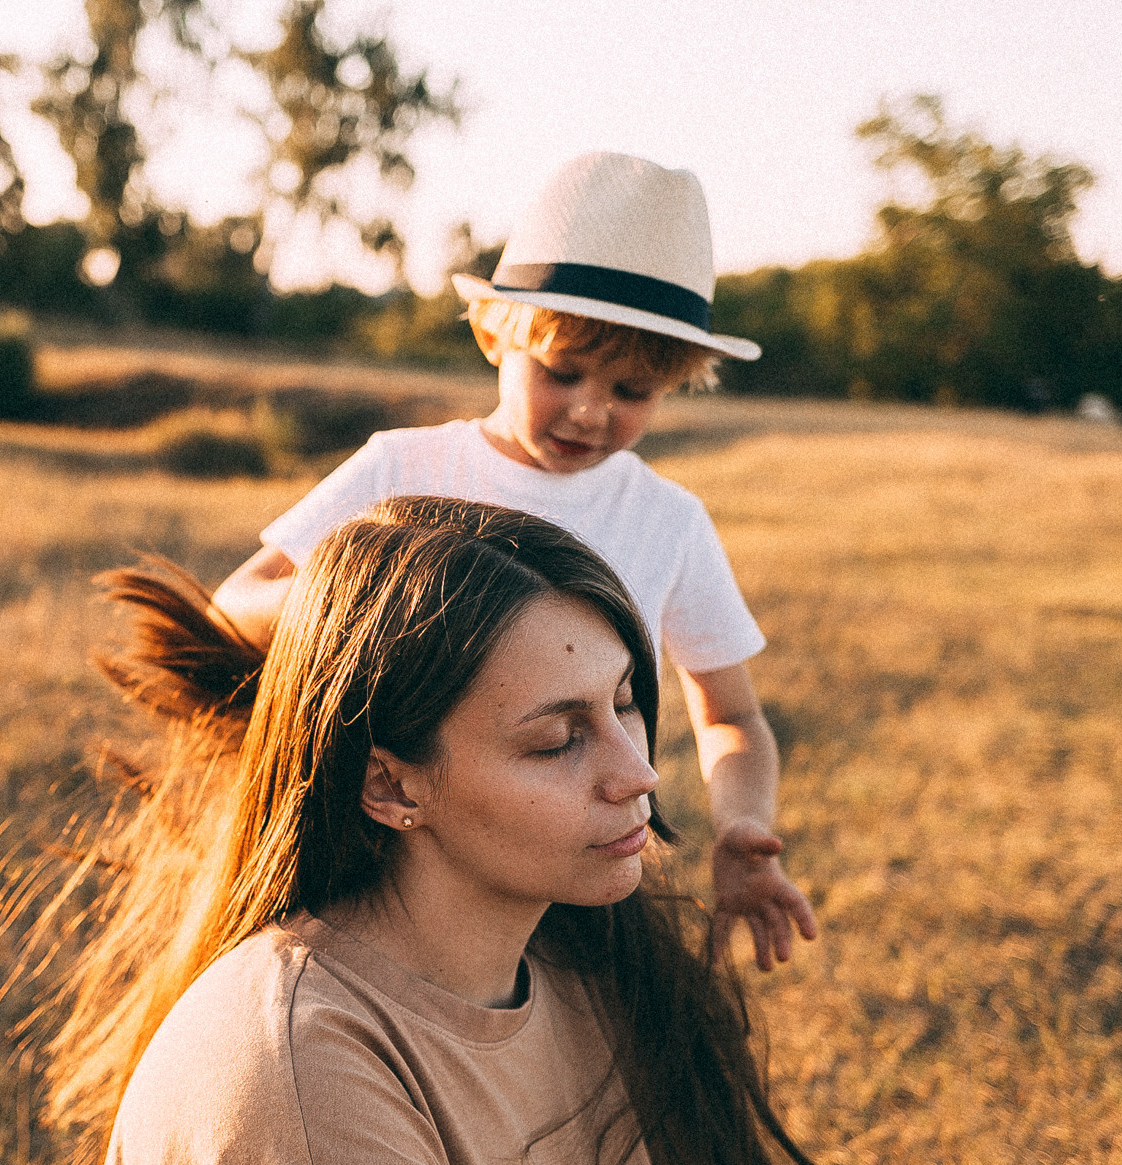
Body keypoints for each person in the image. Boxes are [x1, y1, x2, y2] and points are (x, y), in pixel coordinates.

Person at [46, 497, 904, 1165]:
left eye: (625, 704)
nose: (637, 773)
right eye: (556, 739)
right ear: (390, 783)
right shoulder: (303, 1091)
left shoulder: (579, 967)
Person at [211, 152, 815, 971]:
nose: (590, 408)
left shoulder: (668, 521)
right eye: (561, 371)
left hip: (580, 876)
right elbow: (239, 601)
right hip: (386, 864)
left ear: (680, 381)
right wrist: (387, 604)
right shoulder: (404, 467)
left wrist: (743, 824)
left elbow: (732, 716)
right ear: (498, 333)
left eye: (632, 389)